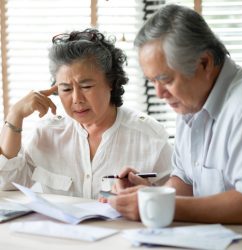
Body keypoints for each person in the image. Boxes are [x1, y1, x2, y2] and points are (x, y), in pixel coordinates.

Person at [106, 4, 242, 223]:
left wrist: (159, 205)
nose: (160, 94)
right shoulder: (192, 100)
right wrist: (151, 194)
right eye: (152, 81)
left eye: (166, 79)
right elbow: (186, 182)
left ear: (204, 63)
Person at [0, 28, 173, 199]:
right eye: (66, 88)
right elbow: (7, 183)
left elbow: (176, 201)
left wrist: (149, 193)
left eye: (86, 87)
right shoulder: (48, 133)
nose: (77, 99)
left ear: (111, 82)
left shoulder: (150, 136)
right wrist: (15, 115)